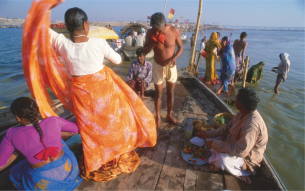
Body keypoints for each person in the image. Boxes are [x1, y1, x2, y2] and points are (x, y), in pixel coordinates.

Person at [23, 4, 157, 183]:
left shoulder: (62, 44)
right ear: (86, 24)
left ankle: (97, 159)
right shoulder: (98, 43)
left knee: (91, 129)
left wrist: (43, 9)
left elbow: (42, 30)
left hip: (81, 94)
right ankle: (115, 151)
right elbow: (117, 60)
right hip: (104, 92)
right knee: (112, 122)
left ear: (67, 26)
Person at [0, 97, 82, 190]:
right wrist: (55, 133)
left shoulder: (12, 134)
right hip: (69, 173)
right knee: (61, 143)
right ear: (37, 110)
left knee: (16, 172)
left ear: (17, 117)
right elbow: (75, 131)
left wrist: (16, 152)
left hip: (45, 185)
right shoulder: (54, 120)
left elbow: (1, 165)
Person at [196, 88, 268, 184]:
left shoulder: (251, 125)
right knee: (208, 137)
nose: (234, 99)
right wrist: (207, 134)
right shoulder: (242, 112)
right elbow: (226, 128)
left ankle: (221, 166)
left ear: (241, 104)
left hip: (244, 159)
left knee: (222, 160)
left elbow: (240, 151)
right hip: (232, 143)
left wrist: (214, 143)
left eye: (236, 98)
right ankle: (217, 160)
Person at [143, 12, 183, 128]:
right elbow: (144, 51)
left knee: (170, 93)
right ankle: (158, 116)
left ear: (165, 25)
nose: (156, 32)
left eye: (158, 30)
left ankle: (169, 115)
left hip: (171, 67)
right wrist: (152, 44)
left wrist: (174, 58)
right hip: (158, 66)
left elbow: (180, 47)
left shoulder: (174, 31)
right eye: (154, 29)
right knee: (158, 94)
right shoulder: (150, 33)